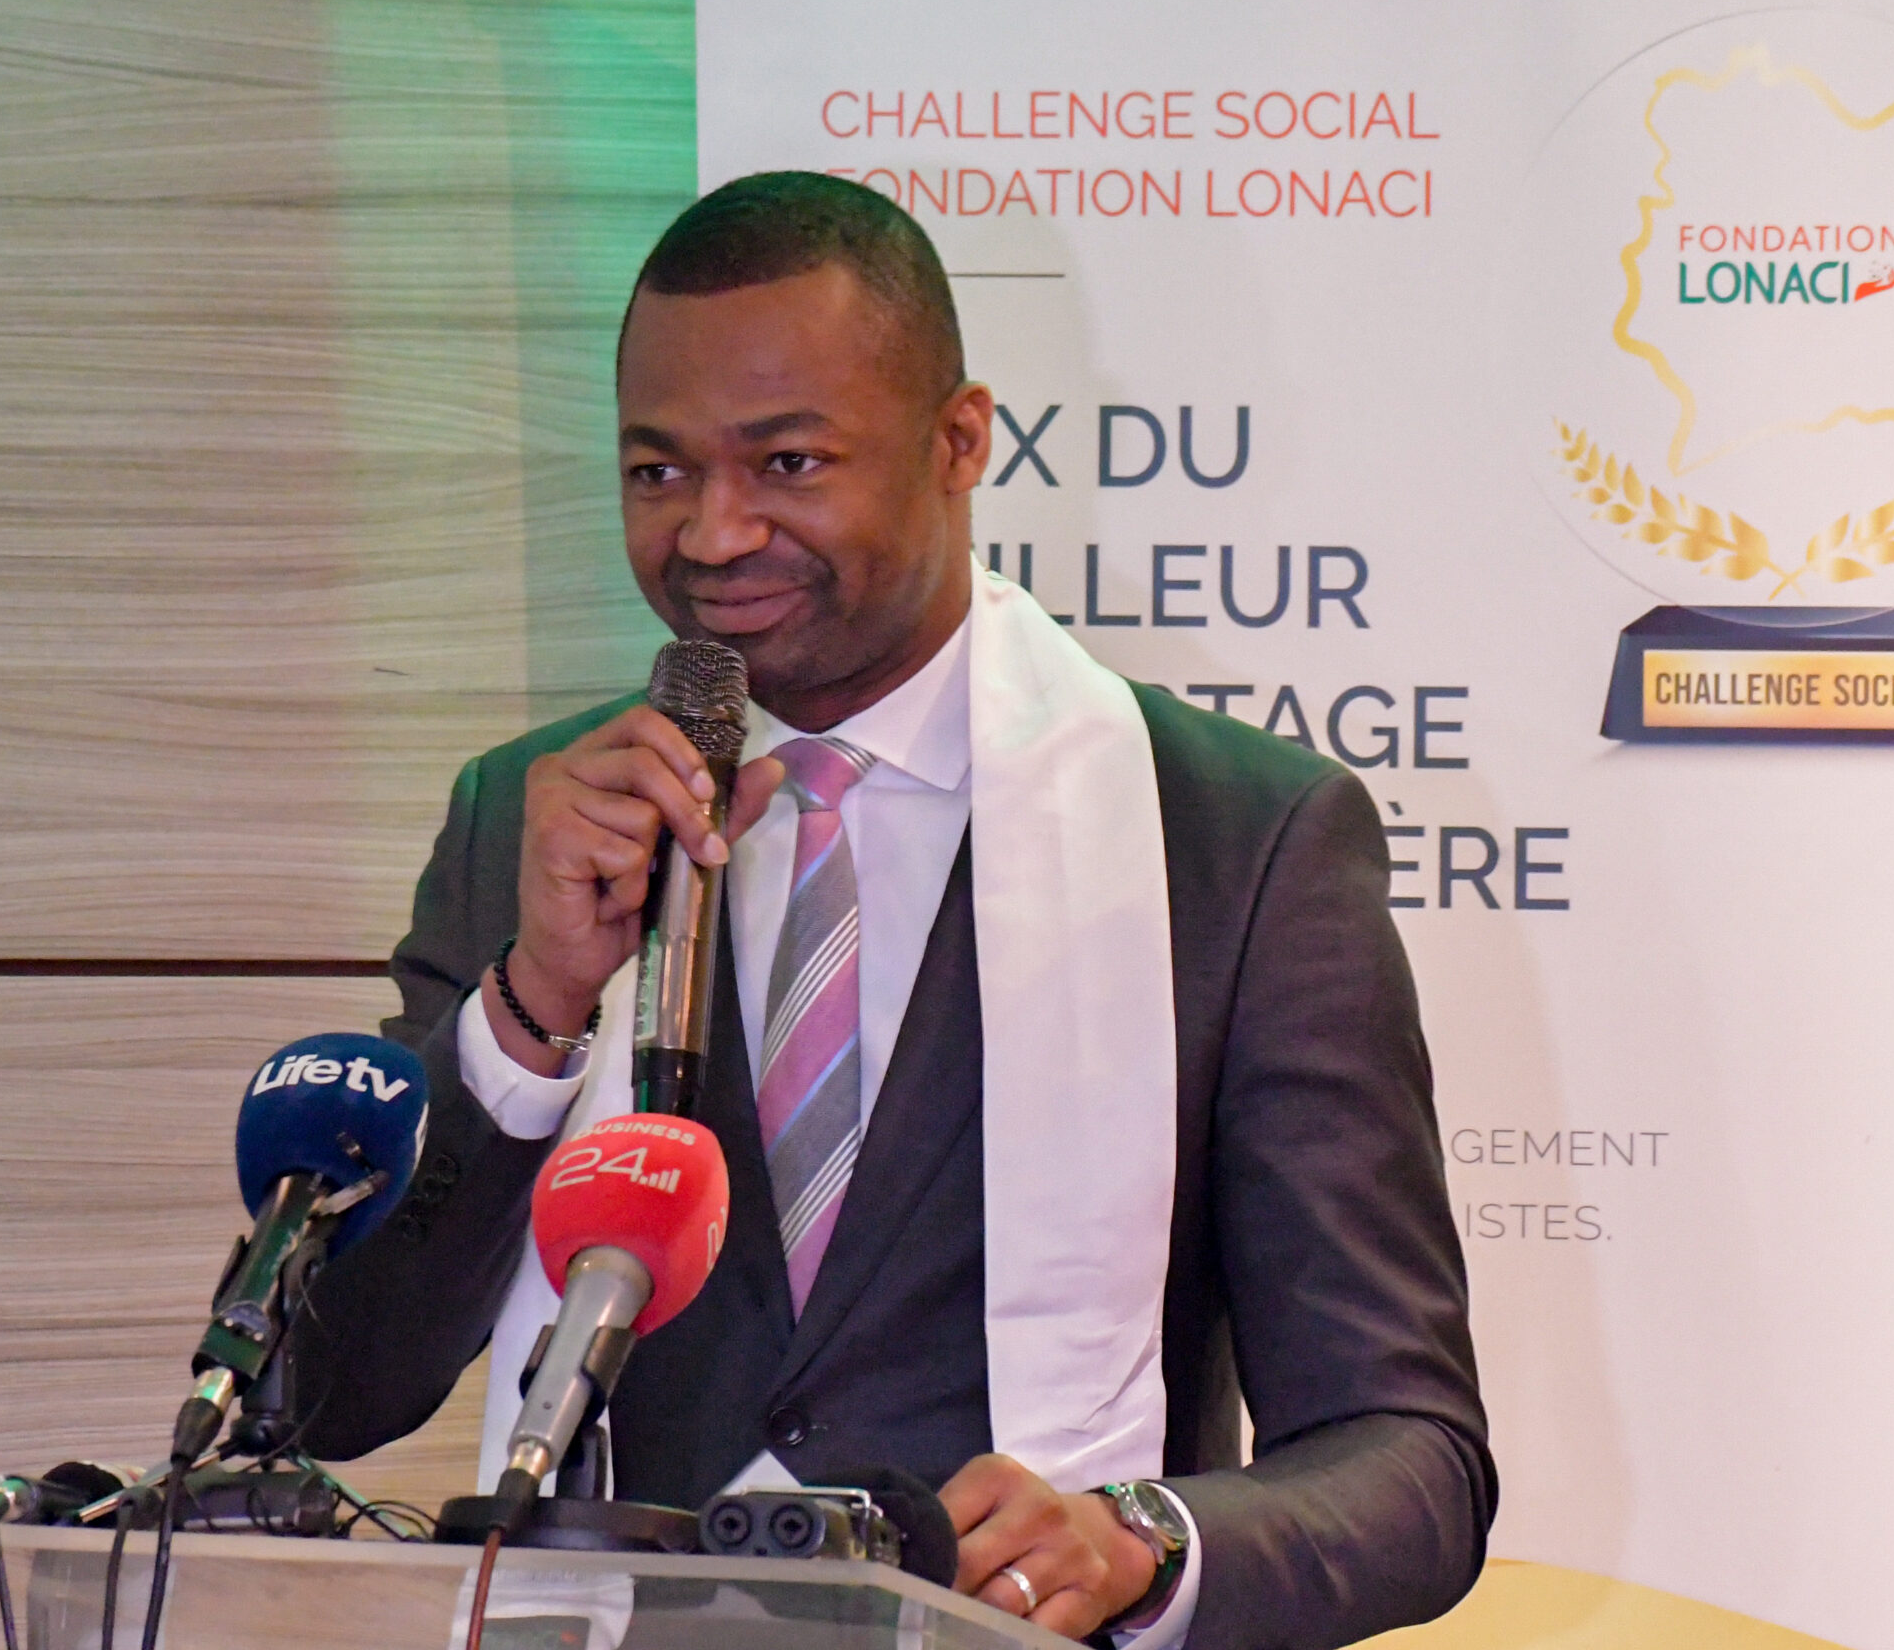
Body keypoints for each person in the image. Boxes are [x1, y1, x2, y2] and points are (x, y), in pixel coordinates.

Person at [292, 172, 1492, 1650]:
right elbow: (334, 1391)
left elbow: (1412, 1463)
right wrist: (533, 1005)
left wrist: (1140, 1542)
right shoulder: (532, 822)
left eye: (787, 462)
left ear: (960, 441)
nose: (713, 533)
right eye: (658, 473)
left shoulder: (1237, 843)